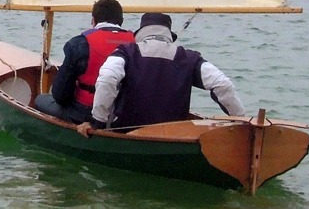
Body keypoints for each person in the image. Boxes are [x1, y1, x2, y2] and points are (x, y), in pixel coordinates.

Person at [77, 12, 245, 136]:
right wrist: (241, 120)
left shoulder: (126, 52)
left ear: (141, 32)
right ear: (168, 34)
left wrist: (97, 122)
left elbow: (107, 79)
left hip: (127, 132)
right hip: (173, 137)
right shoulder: (189, 58)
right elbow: (223, 85)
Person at [34, 0, 134, 124]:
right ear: (121, 21)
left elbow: (60, 95)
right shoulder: (136, 44)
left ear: (93, 20)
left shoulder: (79, 44)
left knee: (41, 99)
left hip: (84, 114)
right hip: (123, 114)